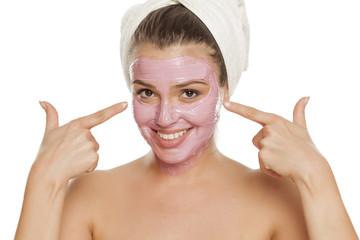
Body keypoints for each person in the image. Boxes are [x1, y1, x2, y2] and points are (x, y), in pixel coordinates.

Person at [15, 1, 358, 239]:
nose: (165, 117)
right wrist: (44, 179)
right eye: (147, 92)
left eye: (189, 93)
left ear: (224, 87)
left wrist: (316, 175)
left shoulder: (277, 200)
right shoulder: (89, 196)